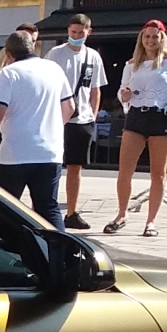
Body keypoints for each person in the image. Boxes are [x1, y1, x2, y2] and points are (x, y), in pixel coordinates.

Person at [108, 20, 167, 236]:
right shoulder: (132, 63)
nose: (150, 41)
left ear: (162, 38)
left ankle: (151, 222)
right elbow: (123, 90)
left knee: (158, 174)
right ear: (142, 38)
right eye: (147, 36)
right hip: (136, 117)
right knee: (125, 171)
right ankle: (122, 214)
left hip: (162, 117)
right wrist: (124, 96)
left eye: (155, 36)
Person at [0, 30, 69, 225]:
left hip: (16, 153)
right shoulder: (54, 69)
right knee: (48, 207)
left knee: (6, 207)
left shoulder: (8, 73)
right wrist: (53, 127)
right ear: (33, 47)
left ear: (8, 53)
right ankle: (59, 251)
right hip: (50, 152)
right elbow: (70, 106)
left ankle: (10, 250)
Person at [54, 12, 106, 229]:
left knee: (76, 166)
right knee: (53, 164)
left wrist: (93, 116)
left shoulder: (93, 56)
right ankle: (49, 208)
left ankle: (72, 211)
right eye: (73, 32)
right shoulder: (56, 54)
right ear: (68, 31)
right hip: (58, 117)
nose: (76, 36)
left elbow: (96, 88)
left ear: (88, 32)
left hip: (82, 118)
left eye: (80, 33)